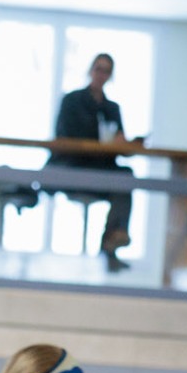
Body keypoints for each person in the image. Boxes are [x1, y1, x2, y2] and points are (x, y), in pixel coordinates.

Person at [45, 53, 139, 273]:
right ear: (91, 70)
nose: (101, 74)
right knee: (119, 179)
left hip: (100, 168)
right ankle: (109, 245)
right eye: (98, 68)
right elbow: (63, 136)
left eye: (106, 71)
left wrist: (124, 143)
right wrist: (98, 143)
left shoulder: (111, 108)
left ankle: (111, 242)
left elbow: (117, 142)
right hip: (73, 166)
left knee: (126, 176)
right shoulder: (72, 100)